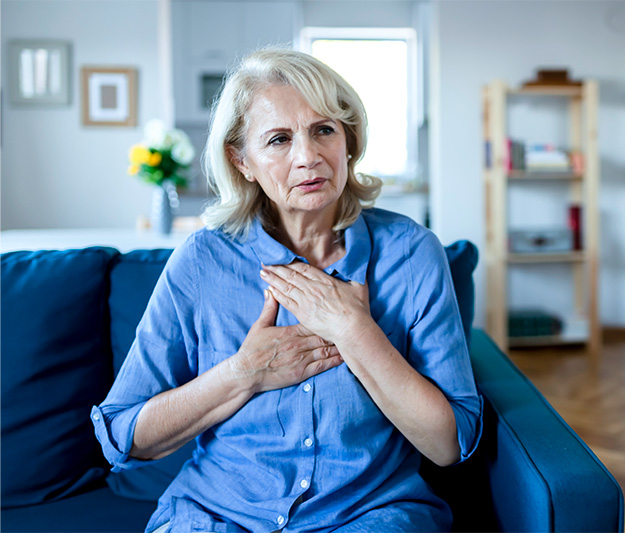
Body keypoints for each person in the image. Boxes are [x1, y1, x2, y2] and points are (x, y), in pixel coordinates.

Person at [92, 47, 482, 533]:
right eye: (278, 139)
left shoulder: (413, 253)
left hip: (368, 514)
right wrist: (244, 373)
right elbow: (125, 436)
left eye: (324, 130)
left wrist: (354, 330)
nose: (309, 157)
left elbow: (448, 445)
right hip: (216, 516)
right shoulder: (203, 260)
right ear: (243, 161)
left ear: (348, 141)